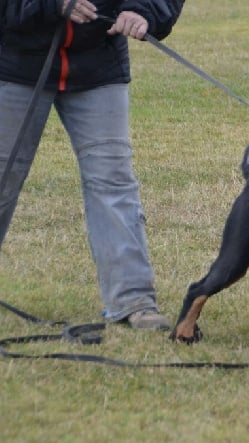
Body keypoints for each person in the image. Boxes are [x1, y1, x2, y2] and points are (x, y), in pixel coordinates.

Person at [0, 0, 185, 329]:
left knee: (114, 184)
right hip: (14, 64)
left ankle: (132, 300)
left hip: (99, 66)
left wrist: (144, 10)